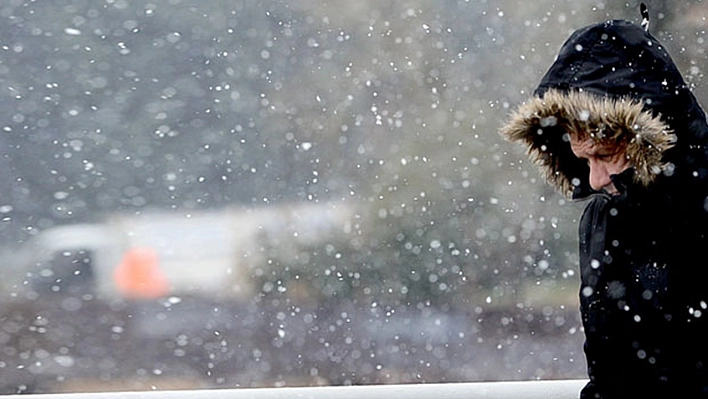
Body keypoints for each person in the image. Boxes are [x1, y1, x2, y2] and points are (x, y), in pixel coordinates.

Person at [499, 7, 708, 399]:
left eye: (606, 154)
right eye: (584, 159)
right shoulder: (604, 218)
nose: (595, 180)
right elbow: (613, 377)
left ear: (650, 134)